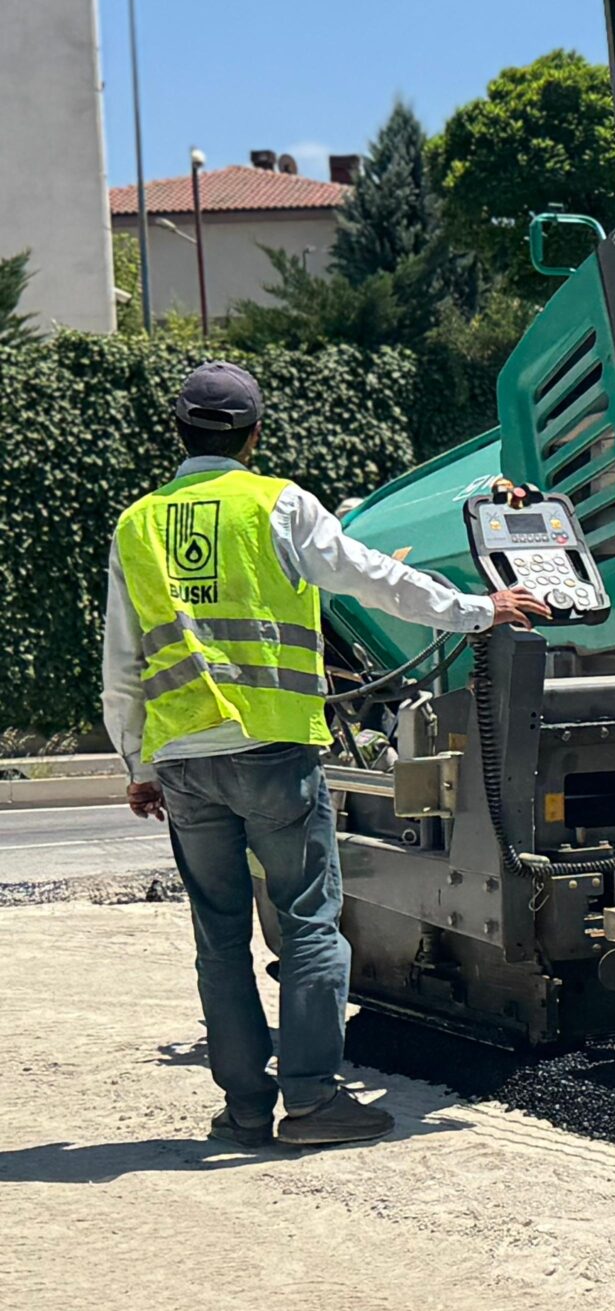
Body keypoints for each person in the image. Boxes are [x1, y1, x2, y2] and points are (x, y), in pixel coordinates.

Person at [105, 362, 551, 1148]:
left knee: (218, 937)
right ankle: (311, 1103)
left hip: (184, 761)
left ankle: (246, 1108)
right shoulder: (277, 505)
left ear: (178, 430)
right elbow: (372, 579)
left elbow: (122, 662)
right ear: (255, 434)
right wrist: (478, 609)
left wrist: (138, 766)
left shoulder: (137, 526)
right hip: (273, 751)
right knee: (309, 919)